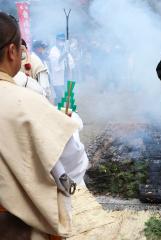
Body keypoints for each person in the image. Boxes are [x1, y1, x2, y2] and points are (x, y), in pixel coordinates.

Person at [0, 12, 88, 239]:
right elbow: (72, 163)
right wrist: (69, 124)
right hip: (16, 227)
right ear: (12, 51)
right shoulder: (28, 103)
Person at [49, 33, 75, 104]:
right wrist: (65, 53)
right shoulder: (53, 51)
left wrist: (71, 77)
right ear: (56, 41)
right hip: (58, 78)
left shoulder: (65, 50)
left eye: (63, 40)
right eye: (60, 40)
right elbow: (57, 61)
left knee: (67, 96)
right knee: (59, 96)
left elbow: (71, 65)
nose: (61, 42)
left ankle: (64, 111)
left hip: (66, 77)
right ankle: (57, 110)